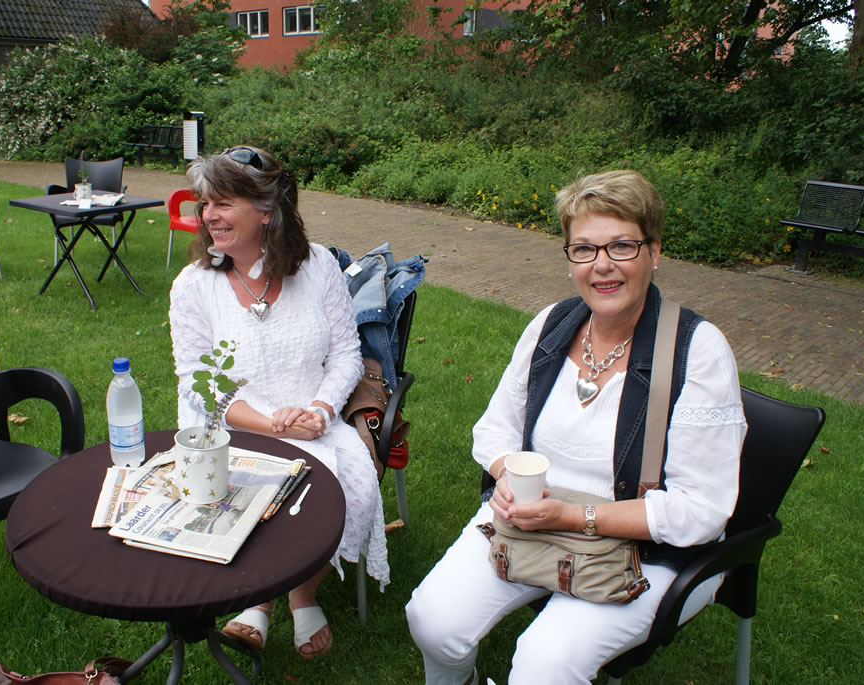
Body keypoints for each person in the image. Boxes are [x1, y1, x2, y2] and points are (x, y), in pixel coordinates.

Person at [405, 170, 747, 684]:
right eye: (584, 249)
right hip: (533, 522)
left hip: (645, 553)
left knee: (544, 664)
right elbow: (495, 430)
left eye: (622, 246)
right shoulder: (551, 324)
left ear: (654, 252)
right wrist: (507, 477)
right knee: (432, 621)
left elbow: (700, 509)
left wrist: (573, 516)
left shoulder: (696, 351)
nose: (602, 265)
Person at [169, 146, 389, 659]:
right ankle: (261, 600)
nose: (208, 215)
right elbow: (198, 381)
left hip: (315, 419)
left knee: (347, 487)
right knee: (253, 494)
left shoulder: (318, 267)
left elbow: (346, 354)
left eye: (223, 203)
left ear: (267, 211)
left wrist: (321, 409)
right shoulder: (193, 287)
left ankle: (303, 593)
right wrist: (268, 423)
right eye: (205, 203)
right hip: (233, 426)